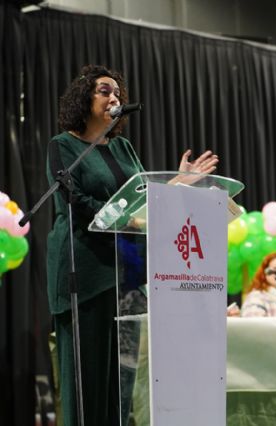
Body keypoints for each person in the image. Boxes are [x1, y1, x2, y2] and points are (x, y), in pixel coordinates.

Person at [46, 65, 218, 425]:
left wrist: (178, 183)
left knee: (117, 382)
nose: (114, 98)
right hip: (84, 273)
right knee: (86, 380)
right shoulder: (63, 146)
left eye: (117, 93)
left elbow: (141, 201)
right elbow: (74, 203)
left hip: (124, 277)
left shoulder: (123, 147)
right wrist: (125, 220)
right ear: (84, 98)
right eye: (105, 91)